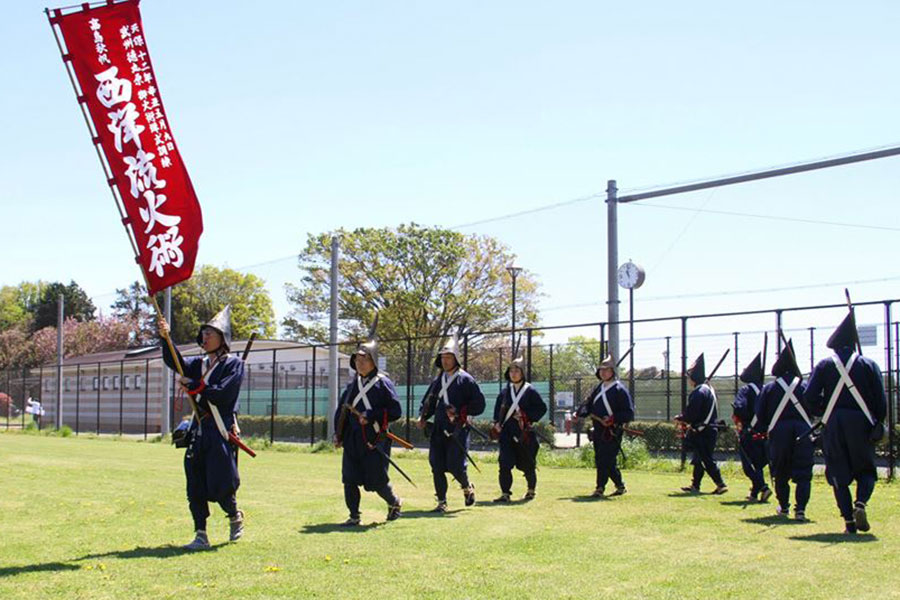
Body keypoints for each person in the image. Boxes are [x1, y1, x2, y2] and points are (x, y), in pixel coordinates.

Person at [159, 306, 245, 550]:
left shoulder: (233, 365)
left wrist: (195, 386)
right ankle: (200, 534)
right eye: (204, 333)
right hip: (198, 429)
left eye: (210, 333)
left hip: (219, 430)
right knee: (194, 484)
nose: (205, 337)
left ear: (222, 338)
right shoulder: (198, 363)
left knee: (221, 482)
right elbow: (174, 361)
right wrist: (166, 338)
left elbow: (223, 395)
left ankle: (234, 516)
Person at [804, 311, 887, 534]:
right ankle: (860, 503)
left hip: (834, 425)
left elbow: (809, 398)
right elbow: (881, 400)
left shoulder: (824, 366)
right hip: (862, 424)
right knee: (867, 471)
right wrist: (877, 421)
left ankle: (849, 523)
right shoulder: (869, 365)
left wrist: (826, 411)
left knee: (838, 474)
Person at [333, 321, 403, 526]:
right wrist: (338, 433)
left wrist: (371, 414)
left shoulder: (383, 383)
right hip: (352, 439)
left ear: (373, 361)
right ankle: (354, 516)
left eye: (364, 359)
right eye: (357, 359)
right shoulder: (351, 385)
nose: (359, 363)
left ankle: (394, 502)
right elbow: (342, 411)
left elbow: (395, 411)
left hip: (375, 439)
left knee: (377, 481)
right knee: (349, 478)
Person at [417, 334, 485, 512]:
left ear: (456, 359)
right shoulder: (437, 381)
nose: (445, 361)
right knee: (436, 465)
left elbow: (479, 405)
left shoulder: (466, 380)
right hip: (439, 428)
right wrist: (422, 416)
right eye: (443, 357)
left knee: (455, 465)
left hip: (458, 429)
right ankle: (441, 502)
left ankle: (467, 488)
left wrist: (461, 411)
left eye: (449, 357)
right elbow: (428, 402)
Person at [753, 340, 814, 520]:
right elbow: (814, 408)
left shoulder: (770, 388)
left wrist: (762, 429)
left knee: (780, 472)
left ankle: (784, 507)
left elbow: (760, 414)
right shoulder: (804, 386)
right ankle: (801, 509)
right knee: (803, 474)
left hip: (779, 433)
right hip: (803, 432)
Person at [574, 355, 634, 497]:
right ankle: (620, 485)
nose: (603, 372)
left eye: (606, 370)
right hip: (598, 428)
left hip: (612, 430)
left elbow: (628, 413)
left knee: (604, 458)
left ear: (612, 371)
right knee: (604, 459)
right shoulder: (599, 387)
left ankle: (600, 487)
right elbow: (589, 405)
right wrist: (580, 413)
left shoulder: (620, 389)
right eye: (601, 370)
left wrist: (613, 419)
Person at [490, 356, 547, 502]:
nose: (514, 373)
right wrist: (497, 422)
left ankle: (530, 490)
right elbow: (498, 411)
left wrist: (525, 416)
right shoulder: (504, 392)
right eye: (511, 371)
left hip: (524, 433)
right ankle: (505, 493)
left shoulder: (530, 391)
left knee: (527, 463)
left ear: (522, 373)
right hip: (507, 433)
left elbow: (541, 408)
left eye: (517, 370)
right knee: (504, 463)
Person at [675, 354, 728, 495]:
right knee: (699, 459)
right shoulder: (708, 390)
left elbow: (692, 414)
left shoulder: (699, 392)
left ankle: (720, 484)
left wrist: (681, 417)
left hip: (703, 431)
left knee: (705, 459)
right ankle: (695, 485)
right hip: (707, 429)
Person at [731, 352, 772, 502]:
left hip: (750, 432)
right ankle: (755, 493)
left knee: (749, 465)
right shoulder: (768, 389)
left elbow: (739, 408)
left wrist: (743, 417)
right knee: (759, 464)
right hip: (766, 433)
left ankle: (763, 487)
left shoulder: (746, 390)